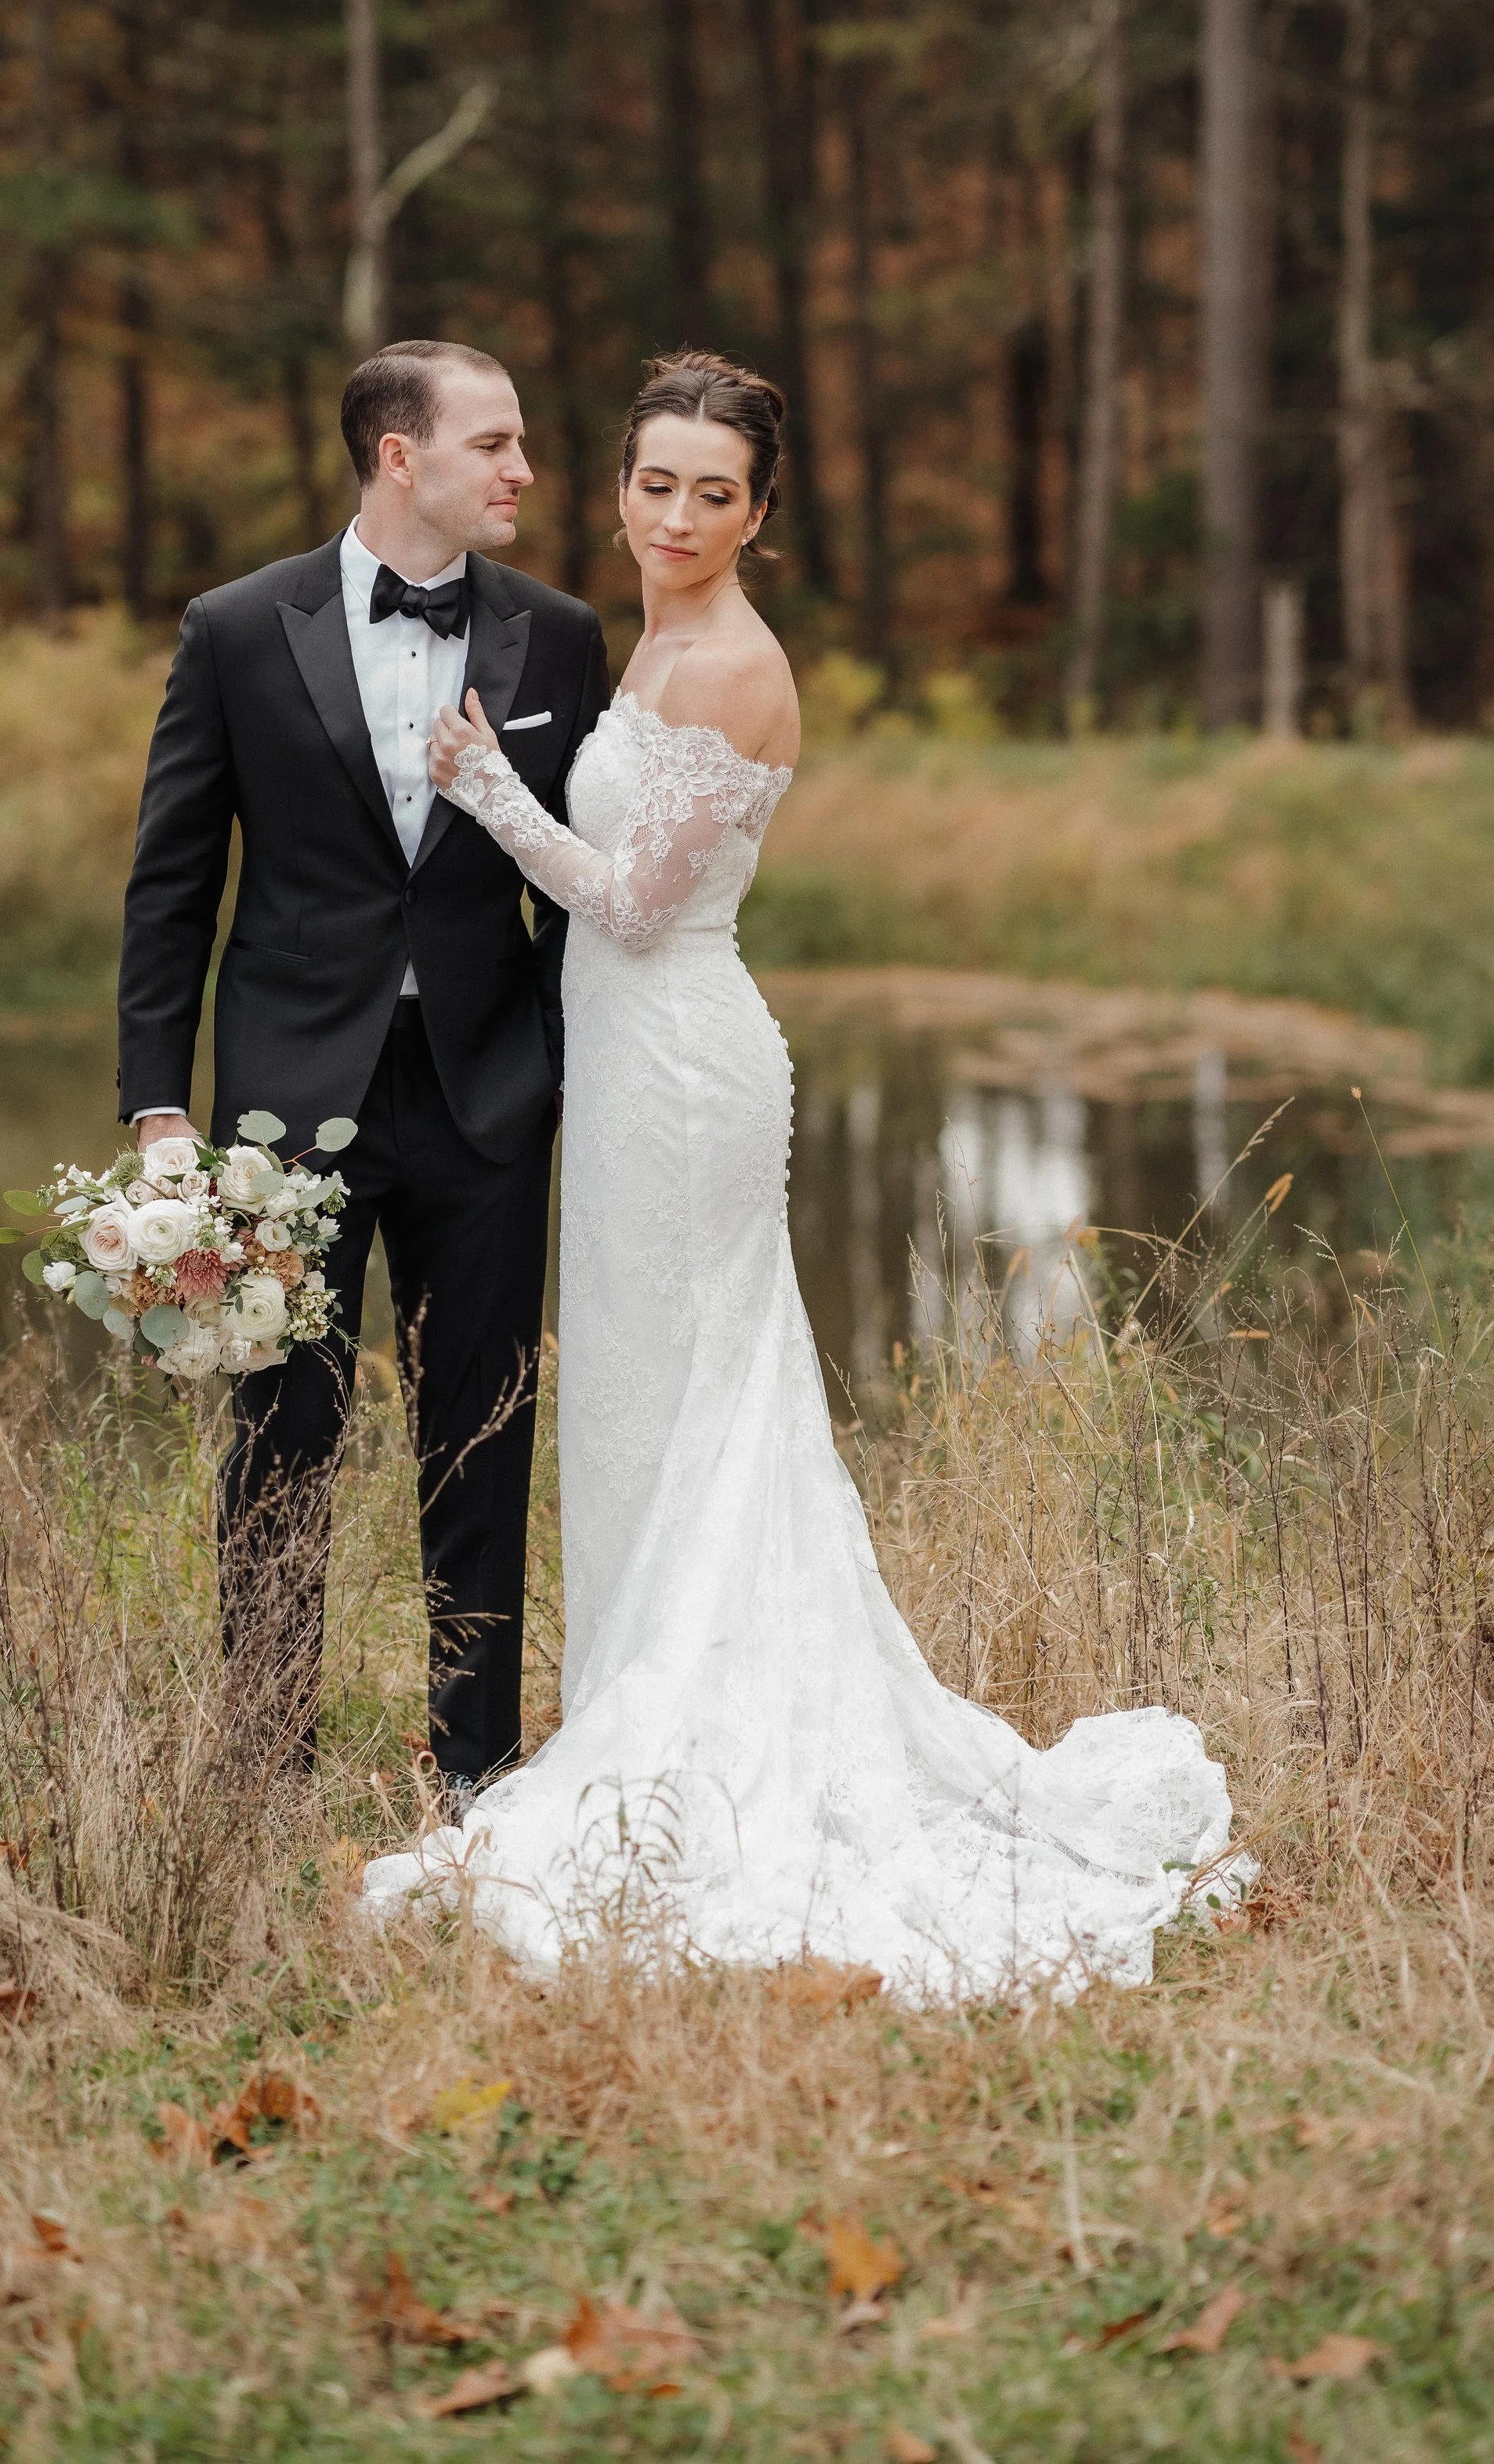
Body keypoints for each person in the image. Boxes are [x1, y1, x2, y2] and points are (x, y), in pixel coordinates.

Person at [360, 352, 1245, 2000]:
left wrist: (481, 789)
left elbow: (625, 908)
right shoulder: (657, 638)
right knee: (644, 1399)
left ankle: (687, 1736)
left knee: (705, 1400)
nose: (678, 516)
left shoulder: (733, 670)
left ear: (760, 512)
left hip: (684, 1065)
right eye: (654, 483)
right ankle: (644, 1691)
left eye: (715, 491)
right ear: (618, 486)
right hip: (625, 1072)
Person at [117, 339, 608, 1783]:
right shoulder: (234, 625)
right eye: (494, 443)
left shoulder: (560, 634)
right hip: (285, 1106)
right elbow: (171, 884)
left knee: (485, 1435)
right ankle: (265, 1765)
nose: (523, 469)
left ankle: (475, 1767)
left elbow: (580, 879)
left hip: (489, 1095)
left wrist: (568, 1074)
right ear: (402, 456)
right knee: (281, 1438)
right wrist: (159, 1105)